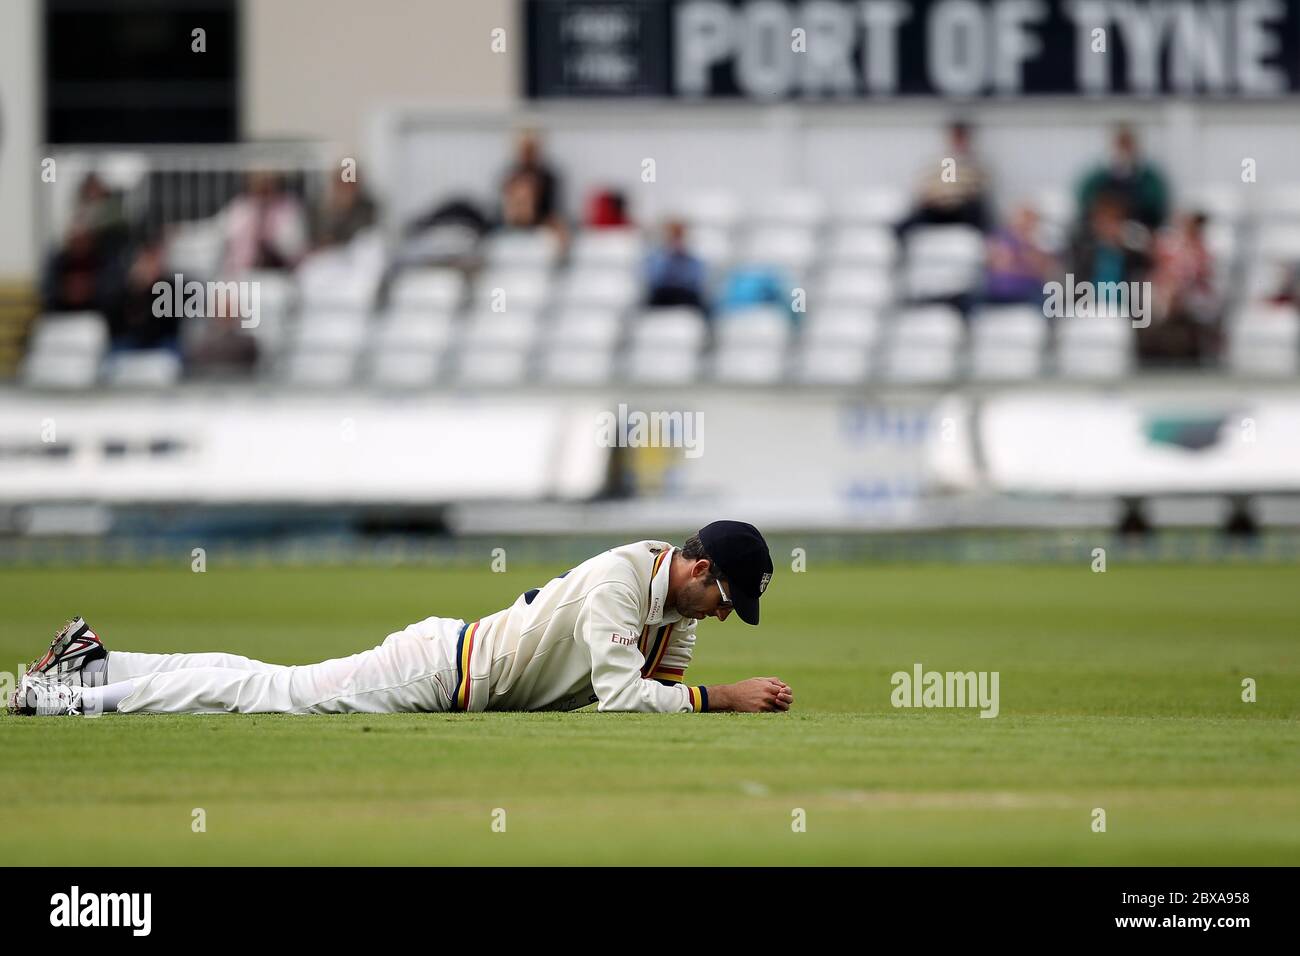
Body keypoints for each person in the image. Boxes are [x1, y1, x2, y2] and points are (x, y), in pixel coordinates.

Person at [11, 522, 793, 717]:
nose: (724, 617)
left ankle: (96, 664)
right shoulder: (622, 580)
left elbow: (659, 700)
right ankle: (72, 697)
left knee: (263, 680)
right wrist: (726, 697)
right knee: (268, 693)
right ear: (699, 569)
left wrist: (699, 699)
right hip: (439, 672)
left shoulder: (677, 604)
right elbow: (627, 700)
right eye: (727, 599)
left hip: (459, 662)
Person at [896, 121, 992, 236]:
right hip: (937, 210)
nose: (958, 142)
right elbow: (925, 188)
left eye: (960, 138)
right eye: (955, 138)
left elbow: (980, 191)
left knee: (981, 213)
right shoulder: (938, 163)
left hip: (963, 212)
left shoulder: (976, 164)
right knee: (906, 223)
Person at [1077, 124, 1169, 231]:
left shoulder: (1149, 179)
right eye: (1120, 144)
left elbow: (1155, 206)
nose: (1124, 150)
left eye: (1127, 144)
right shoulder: (1097, 180)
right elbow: (1086, 201)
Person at [645, 219, 708, 311]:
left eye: (678, 236)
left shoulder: (693, 259)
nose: (676, 240)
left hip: (685, 294)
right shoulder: (657, 257)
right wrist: (668, 256)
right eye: (673, 236)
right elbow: (655, 279)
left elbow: (696, 281)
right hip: (663, 294)